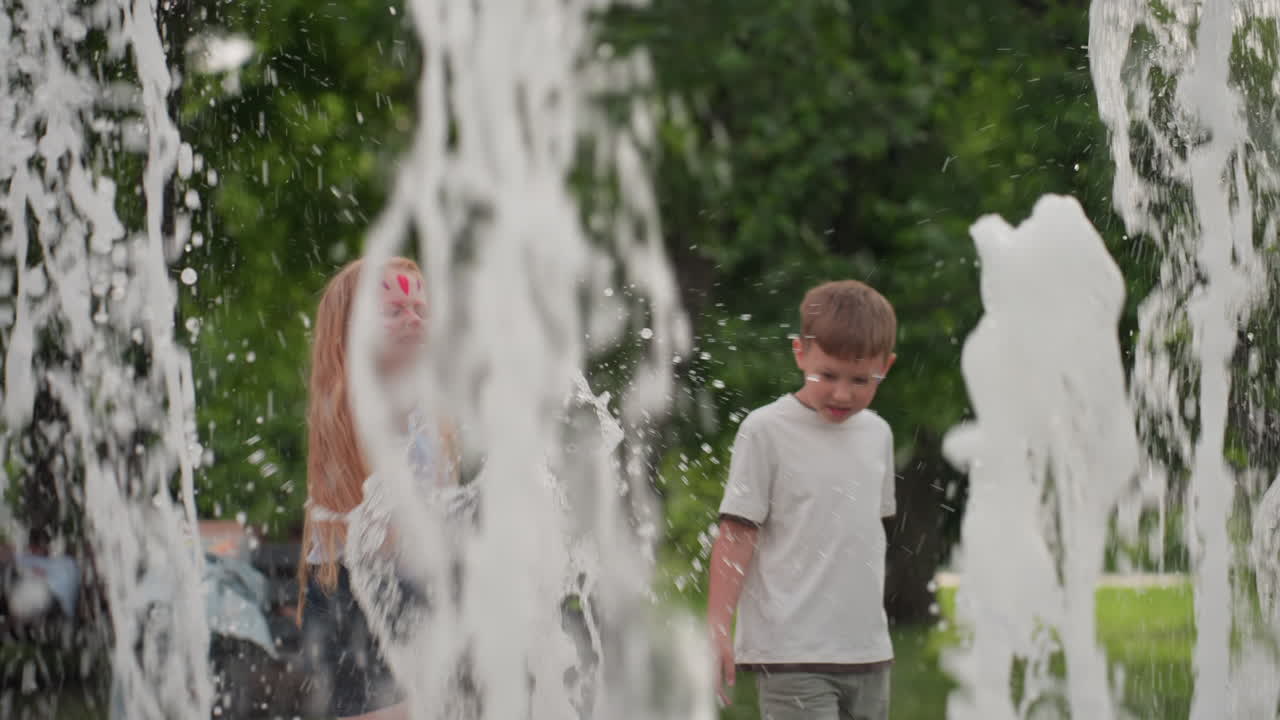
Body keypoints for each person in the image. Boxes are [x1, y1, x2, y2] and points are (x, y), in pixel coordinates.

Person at [706, 279, 899, 720]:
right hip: (791, 653)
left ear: (886, 366)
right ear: (800, 353)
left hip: (868, 653)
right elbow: (736, 535)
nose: (843, 393)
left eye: (861, 380)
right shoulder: (766, 431)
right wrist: (718, 628)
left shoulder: (878, 435)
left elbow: (867, 534)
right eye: (827, 375)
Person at [295, 256, 459, 720]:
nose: (414, 319)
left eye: (421, 309)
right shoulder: (351, 400)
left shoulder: (428, 408)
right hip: (353, 591)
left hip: (410, 584)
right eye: (394, 311)